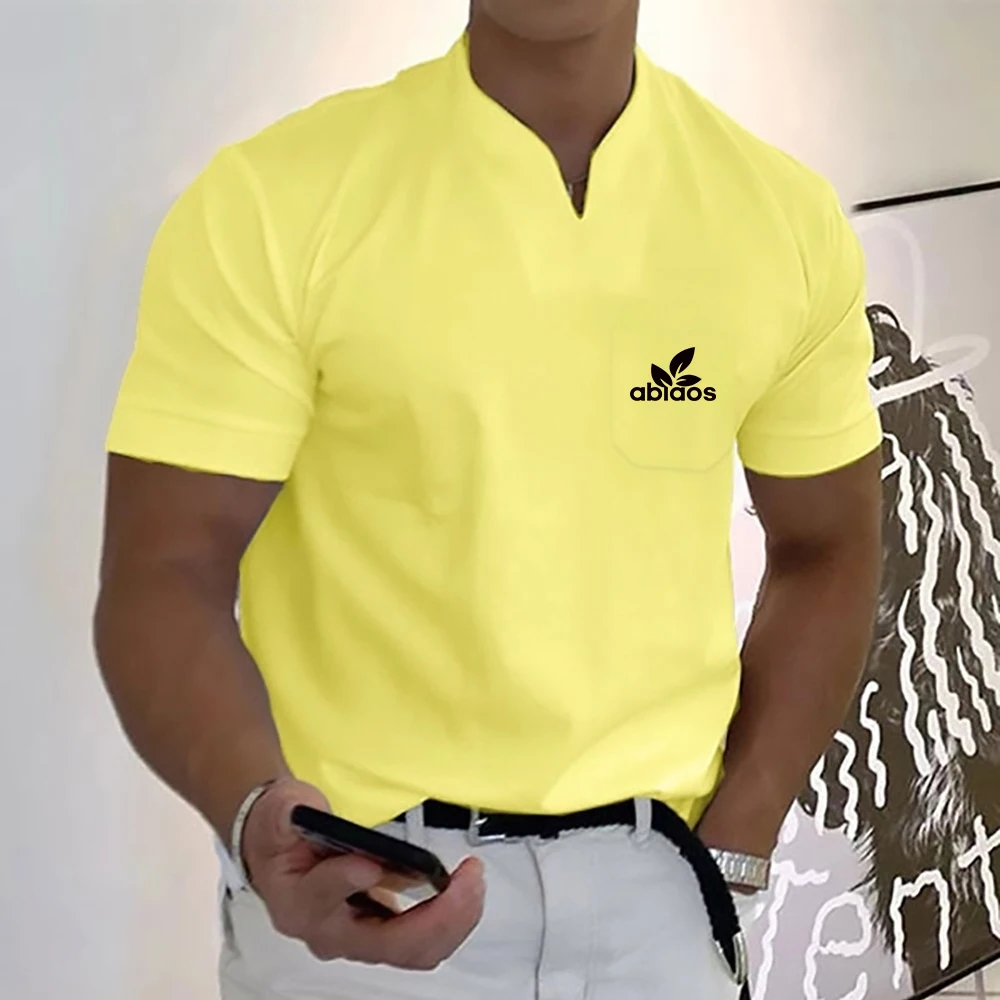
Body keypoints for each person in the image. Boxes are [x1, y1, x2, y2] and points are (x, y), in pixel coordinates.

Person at [93, 1, 883, 997]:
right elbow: (167, 573)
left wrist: (737, 843)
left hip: (663, 909)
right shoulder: (274, 203)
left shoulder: (780, 218)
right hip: (364, 897)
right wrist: (260, 818)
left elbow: (828, 546)